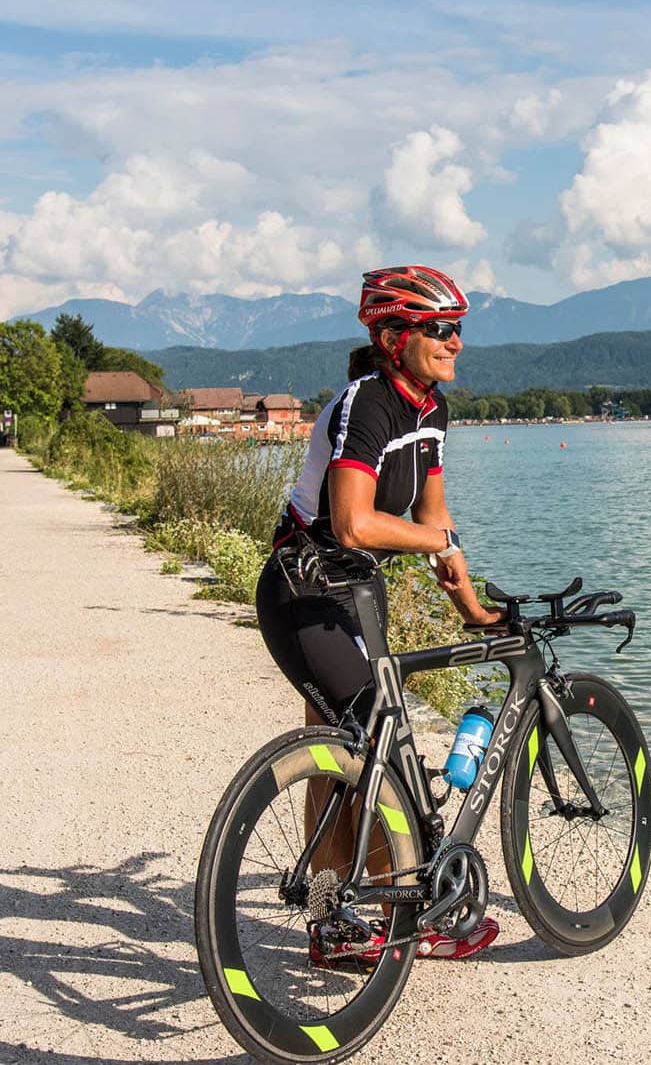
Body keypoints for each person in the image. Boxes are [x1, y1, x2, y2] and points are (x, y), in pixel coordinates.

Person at [255, 265, 502, 962]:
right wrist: (439, 542)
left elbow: (433, 516)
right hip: (304, 592)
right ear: (395, 339)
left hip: (359, 594)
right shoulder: (367, 404)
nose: (455, 342)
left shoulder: (430, 410)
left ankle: (336, 916)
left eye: (458, 329)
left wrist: (474, 609)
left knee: (342, 751)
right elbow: (355, 523)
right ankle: (390, 917)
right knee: (371, 746)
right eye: (440, 330)